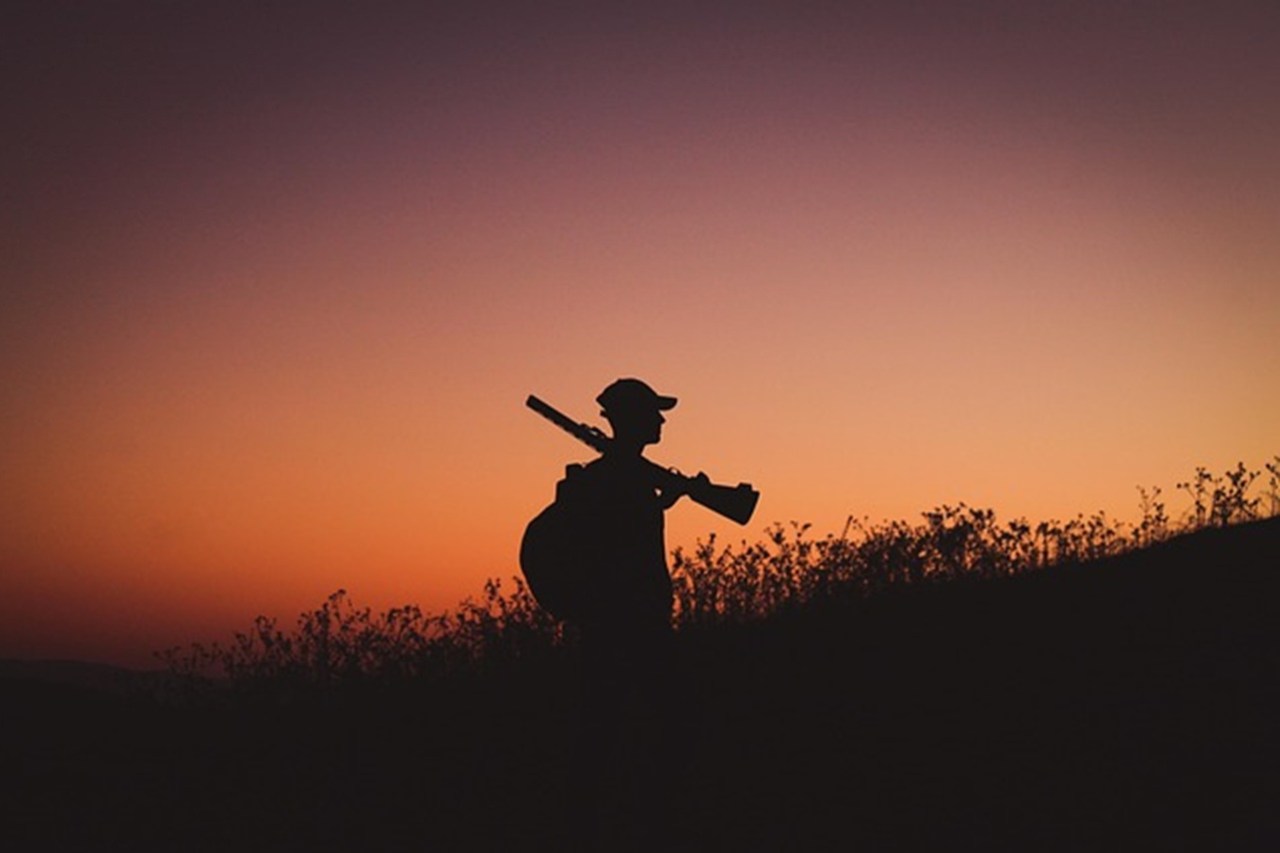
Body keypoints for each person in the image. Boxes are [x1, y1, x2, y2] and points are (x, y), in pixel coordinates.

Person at [561, 378, 690, 850]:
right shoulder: (619, 478)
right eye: (652, 413)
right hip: (629, 628)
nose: (659, 421)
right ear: (631, 419)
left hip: (624, 626)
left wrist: (663, 498)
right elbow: (616, 551)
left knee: (608, 728)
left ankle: (604, 823)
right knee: (644, 726)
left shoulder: (623, 477)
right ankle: (642, 824)